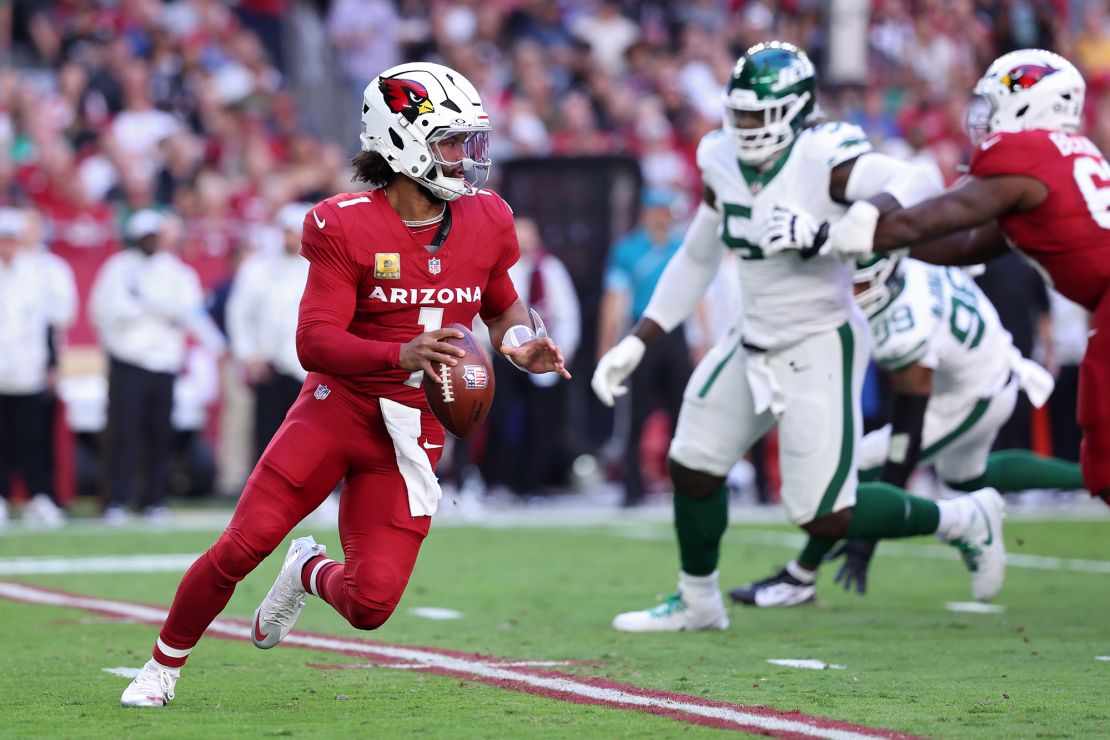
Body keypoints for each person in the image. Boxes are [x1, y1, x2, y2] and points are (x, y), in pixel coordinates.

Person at [121, 62, 570, 708]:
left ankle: (306, 568)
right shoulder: (343, 222)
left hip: (412, 430)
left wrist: (521, 344)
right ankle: (162, 666)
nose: (463, 157)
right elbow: (314, 343)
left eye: (466, 141)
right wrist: (402, 353)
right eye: (449, 141)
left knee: (370, 604)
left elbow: (500, 305)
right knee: (241, 545)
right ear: (402, 140)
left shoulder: (487, 219)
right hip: (338, 410)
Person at [592, 41, 1006, 633]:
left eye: (761, 115)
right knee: (692, 465)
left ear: (795, 111)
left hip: (819, 338)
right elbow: (697, 256)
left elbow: (916, 178)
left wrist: (856, 219)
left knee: (824, 515)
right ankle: (697, 600)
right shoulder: (720, 158)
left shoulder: (823, 156)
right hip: (751, 335)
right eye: (739, 114)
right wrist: (640, 339)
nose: (747, 127)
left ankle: (963, 517)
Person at [760, 48, 1110, 507]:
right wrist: (864, 238)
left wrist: (828, 230)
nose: (983, 119)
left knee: (1102, 446)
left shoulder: (1025, 154)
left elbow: (934, 219)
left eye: (993, 103)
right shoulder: (1062, 157)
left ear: (1030, 102)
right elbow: (962, 247)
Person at [732, 256, 1085, 606]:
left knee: (853, 468)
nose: (850, 291)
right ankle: (1092, 477)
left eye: (859, 283)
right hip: (990, 368)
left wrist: (866, 538)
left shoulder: (902, 329)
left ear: (885, 277)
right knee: (965, 478)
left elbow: (906, 440)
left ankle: (800, 576)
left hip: (972, 394)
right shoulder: (918, 262)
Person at [89, 209, 225, 525]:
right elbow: (108, 311)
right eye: (145, 236)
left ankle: (154, 499)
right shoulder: (118, 269)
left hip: (164, 363)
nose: (150, 242)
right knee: (123, 433)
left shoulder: (178, 273)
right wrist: (156, 314)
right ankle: (117, 500)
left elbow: (189, 313)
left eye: (155, 235)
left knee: (159, 434)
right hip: (129, 361)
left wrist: (216, 345)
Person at [596, 188, 690, 507]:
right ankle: (632, 487)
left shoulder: (681, 246)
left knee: (682, 414)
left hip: (676, 332)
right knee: (636, 414)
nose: (665, 217)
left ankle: (685, 485)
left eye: (668, 211)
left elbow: (698, 295)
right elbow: (615, 298)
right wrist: (607, 345)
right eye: (660, 211)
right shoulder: (628, 250)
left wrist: (703, 338)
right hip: (643, 333)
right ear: (647, 213)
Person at [482, 216, 580, 495]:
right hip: (504, 352)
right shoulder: (500, 268)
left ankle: (533, 481)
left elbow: (566, 313)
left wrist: (564, 349)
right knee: (498, 416)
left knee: (541, 420)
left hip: (540, 353)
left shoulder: (549, 269)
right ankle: (497, 478)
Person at [0, 207, 76, 527]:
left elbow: (49, 323)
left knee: (34, 439)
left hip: (28, 370)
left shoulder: (35, 273)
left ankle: (39, 496)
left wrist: (51, 363)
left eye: (12, 240)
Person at [226, 202, 314, 463]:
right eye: (287, 231)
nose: (291, 238)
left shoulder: (321, 266)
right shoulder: (258, 268)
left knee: (312, 433)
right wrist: (248, 353)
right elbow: (239, 314)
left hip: (310, 366)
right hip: (270, 364)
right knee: (269, 435)